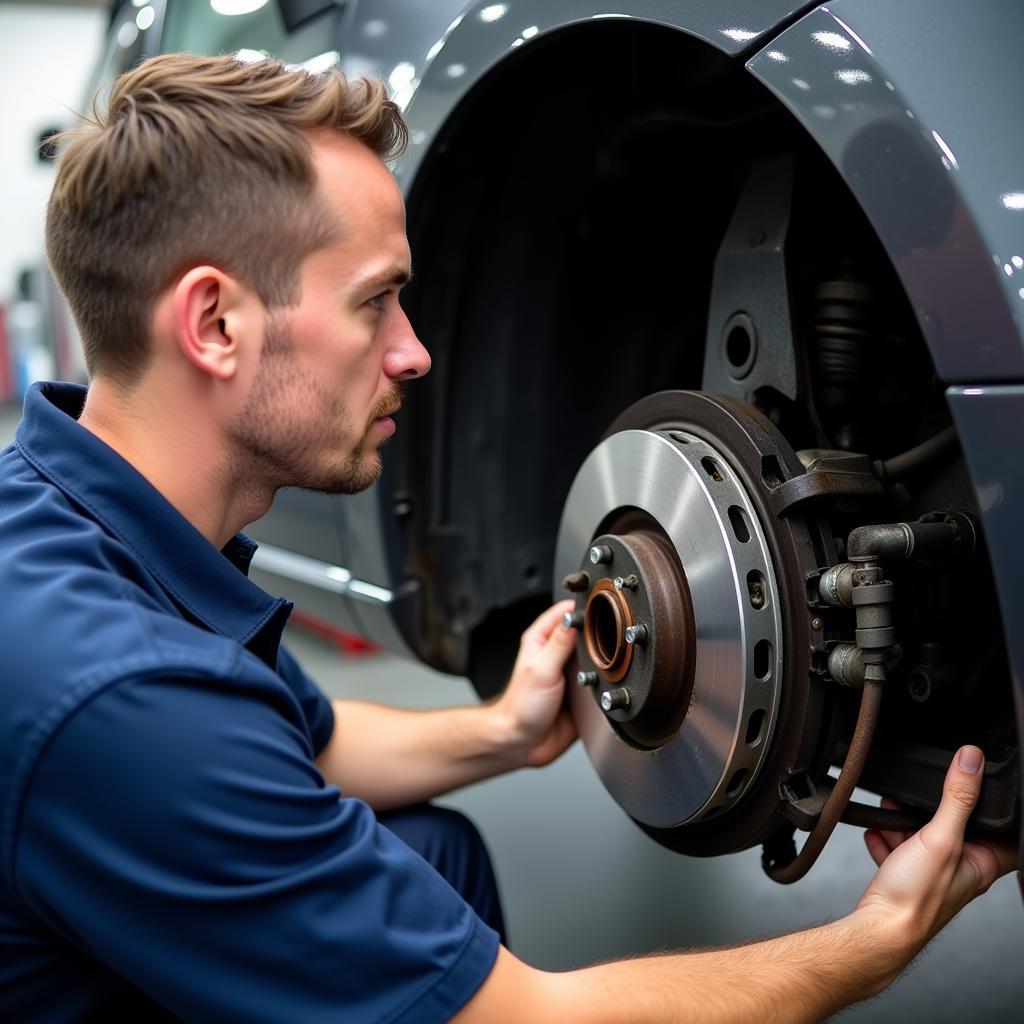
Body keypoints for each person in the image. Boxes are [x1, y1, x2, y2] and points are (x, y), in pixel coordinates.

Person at [0, 53, 1014, 1023]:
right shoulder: (122, 697)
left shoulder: (60, 515)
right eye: (375, 302)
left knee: (432, 855)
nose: (415, 351)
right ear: (214, 323)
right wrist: (878, 935)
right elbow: (524, 1016)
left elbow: (309, 742)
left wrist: (504, 730)